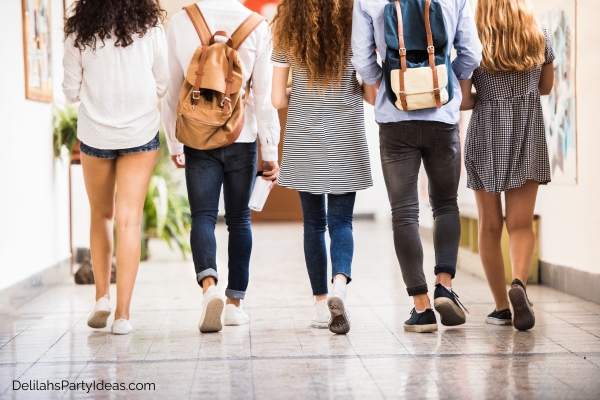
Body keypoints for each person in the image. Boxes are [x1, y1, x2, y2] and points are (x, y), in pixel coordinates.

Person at [352, 0, 482, 332]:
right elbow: (471, 53)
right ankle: (445, 285)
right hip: (442, 115)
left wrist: (390, 82)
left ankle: (421, 307)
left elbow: (363, 63)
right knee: (445, 203)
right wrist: (445, 78)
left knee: (405, 212)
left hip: (396, 118)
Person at [162, 0, 280, 333]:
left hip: (197, 138)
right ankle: (233, 305)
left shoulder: (182, 21)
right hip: (242, 138)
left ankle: (208, 287)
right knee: (239, 220)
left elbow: (172, 91)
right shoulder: (256, 26)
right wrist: (269, 150)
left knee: (202, 216)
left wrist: (174, 141)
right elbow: (264, 100)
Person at [62, 0, 169, 335]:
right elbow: (163, 84)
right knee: (129, 220)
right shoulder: (150, 28)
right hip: (140, 131)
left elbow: (69, 91)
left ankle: (101, 298)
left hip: (95, 134)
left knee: (101, 215)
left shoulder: (79, 31)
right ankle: (123, 316)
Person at [271, 0, 373, 334]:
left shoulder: (288, 26)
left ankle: (319, 304)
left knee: (313, 224)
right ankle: (339, 284)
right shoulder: (354, 21)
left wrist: (298, 86)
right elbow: (370, 90)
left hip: (304, 133)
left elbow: (277, 99)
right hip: (346, 130)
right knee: (341, 220)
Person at [460, 0, 555, 331]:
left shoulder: (472, 37)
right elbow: (545, 87)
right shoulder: (539, 34)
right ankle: (519, 284)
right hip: (527, 131)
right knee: (521, 224)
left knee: (489, 225)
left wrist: (487, 96)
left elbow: (463, 99)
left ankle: (502, 307)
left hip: (485, 132)